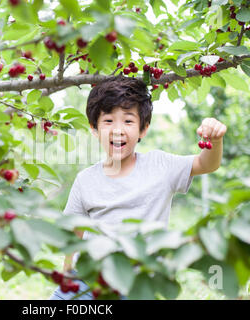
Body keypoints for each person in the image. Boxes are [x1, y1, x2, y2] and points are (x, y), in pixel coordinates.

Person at [49, 75, 227, 300]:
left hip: (139, 283)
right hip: (90, 279)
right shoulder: (85, 180)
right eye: (108, 121)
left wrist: (215, 140)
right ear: (94, 129)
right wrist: (67, 274)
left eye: (128, 121)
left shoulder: (161, 165)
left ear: (143, 129)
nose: (118, 130)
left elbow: (206, 164)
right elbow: (73, 230)